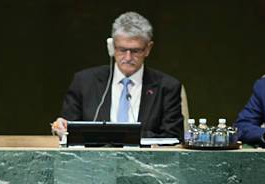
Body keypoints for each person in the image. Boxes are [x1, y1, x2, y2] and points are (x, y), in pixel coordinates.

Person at [51, 12, 183, 140]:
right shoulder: (84, 82)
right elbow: (70, 130)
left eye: (135, 51)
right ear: (112, 47)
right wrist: (62, 128)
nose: (128, 57)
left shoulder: (167, 87)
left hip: (147, 161)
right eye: (122, 50)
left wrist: (117, 137)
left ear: (148, 48)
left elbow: (172, 136)